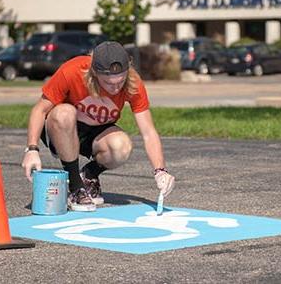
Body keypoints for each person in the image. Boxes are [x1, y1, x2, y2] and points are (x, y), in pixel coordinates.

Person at [21, 41, 175, 211]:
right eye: (108, 83)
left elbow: (148, 132)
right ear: (94, 73)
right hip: (62, 127)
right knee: (64, 113)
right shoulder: (72, 70)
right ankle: (75, 186)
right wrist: (32, 149)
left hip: (96, 130)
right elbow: (39, 110)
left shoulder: (133, 82)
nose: (115, 88)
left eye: (120, 81)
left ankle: (88, 175)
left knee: (121, 146)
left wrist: (160, 171)